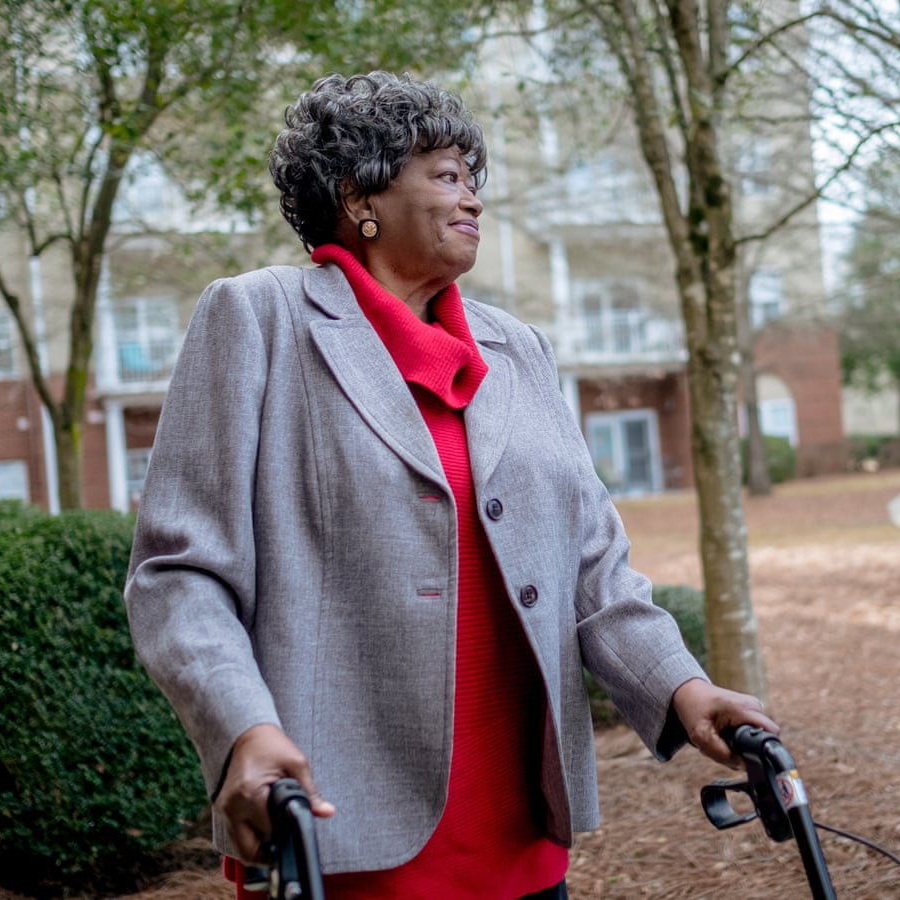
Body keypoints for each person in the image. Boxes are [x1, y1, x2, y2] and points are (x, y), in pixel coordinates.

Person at [124, 71, 778, 900]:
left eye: (473, 178)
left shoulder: (520, 349)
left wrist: (683, 687)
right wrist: (242, 732)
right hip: (339, 826)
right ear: (360, 193)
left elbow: (592, 568)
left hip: (517, 825)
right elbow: (179, 575)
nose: (471, 198)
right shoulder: (258, 321)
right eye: (444, 174)